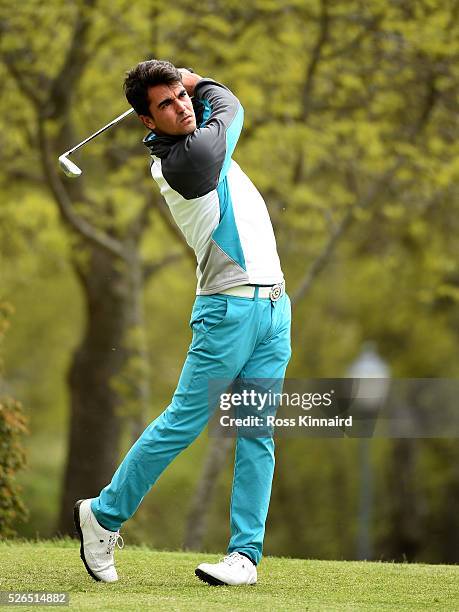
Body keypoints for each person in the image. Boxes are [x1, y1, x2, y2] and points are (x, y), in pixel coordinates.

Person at [74, 59, 291, 587]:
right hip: (227, 311)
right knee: (183, 423)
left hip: (273, 309)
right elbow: (233, 107)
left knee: (258, 432)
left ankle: (244, 556)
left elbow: (222, 109)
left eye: (180, 95)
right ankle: (102, 516)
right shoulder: (185, 162)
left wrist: (192, 85)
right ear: (149, 123)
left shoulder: (198, 135)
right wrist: (201, 81)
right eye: (166, 104)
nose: (181, 106)